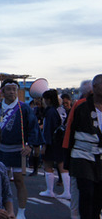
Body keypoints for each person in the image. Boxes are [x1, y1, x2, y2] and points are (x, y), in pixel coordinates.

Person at [0, 79, 43, 219]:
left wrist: (30, 145)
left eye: (14, 89)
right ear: (2, 91)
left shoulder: (24, 108)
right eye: (9, 89)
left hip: (20, 150)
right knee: (1, 181)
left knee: (19, 180)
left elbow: (33, 128)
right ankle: (2, 210)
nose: (12, 92)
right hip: (1, 149)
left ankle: (21, 212)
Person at [66, 75, 102, 219]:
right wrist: (67, 159)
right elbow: (69, 132)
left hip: (100, 158)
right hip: (81, 155)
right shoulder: (81, 107)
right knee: (86, 193)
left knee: (98, 197)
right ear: (94, 87)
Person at [62, 80, 93, 219]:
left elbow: (69, 131)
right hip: (85, 156)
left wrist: (67, 157)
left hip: (79, 155)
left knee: (78, 192)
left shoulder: (79, 104)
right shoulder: (80, 105)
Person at [38, 89, 70, 199]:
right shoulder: (61, 109)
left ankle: (49, 190)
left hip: (52, 141)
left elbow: (47, 129)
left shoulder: (50, 112)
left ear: (48, 99)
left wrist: (45, 145)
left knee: (48, 164)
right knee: (62, 165)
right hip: (61, 139)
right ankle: (67, 191)